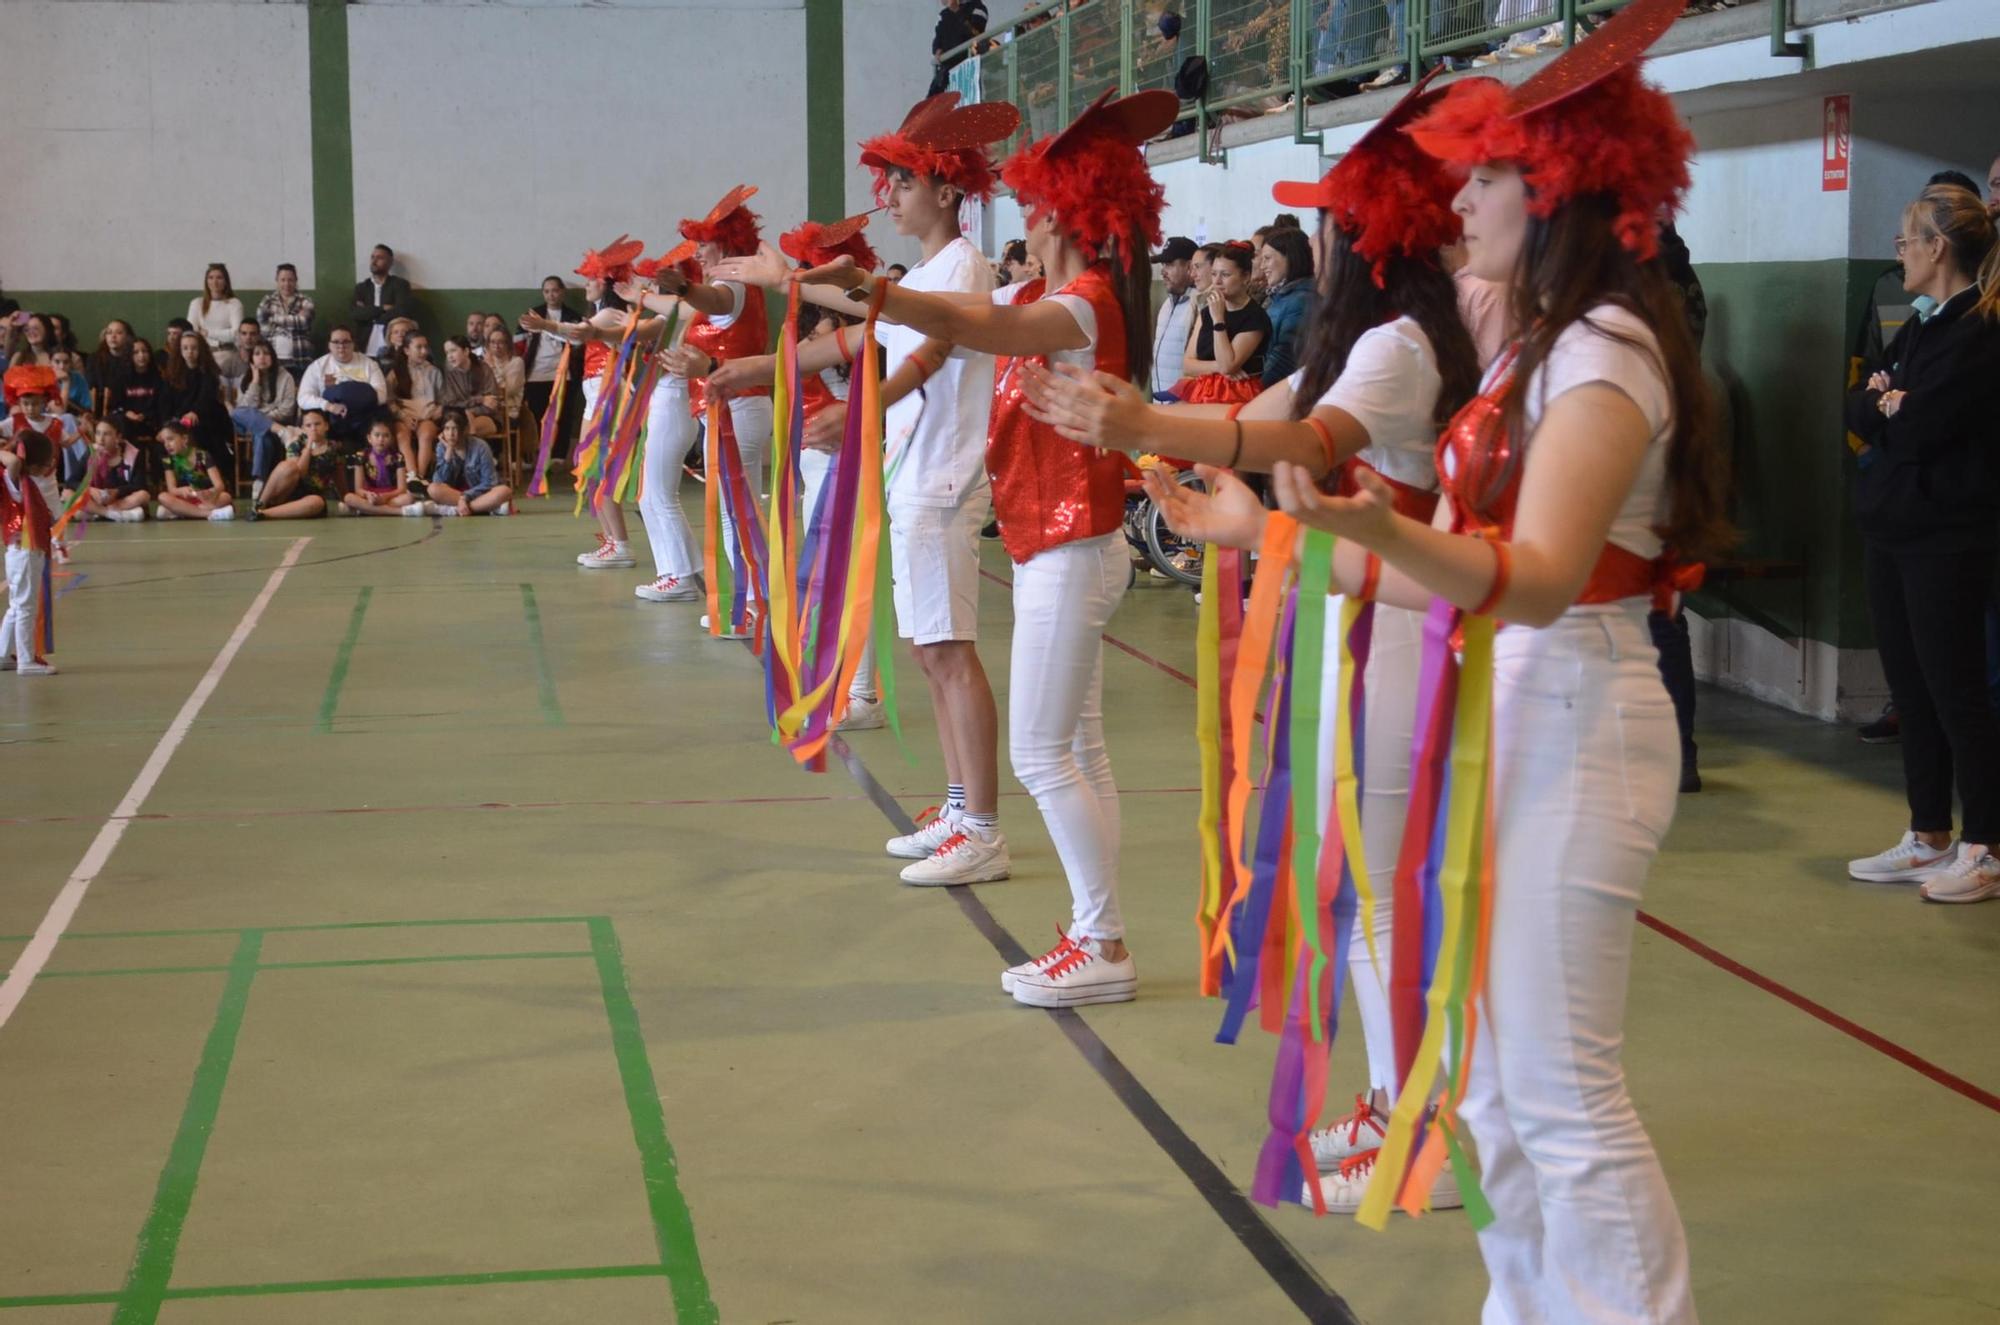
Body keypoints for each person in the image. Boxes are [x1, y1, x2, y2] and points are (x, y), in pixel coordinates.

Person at [1197, 6, 1721, 1313]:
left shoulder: (1604, 354)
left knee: (1561, 1091)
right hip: (1515, 703)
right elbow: (1463, 577)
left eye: (1487, 174)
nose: (1460, 196)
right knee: (1483, 1075)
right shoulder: (1539, 350)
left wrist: (1365, 524)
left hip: (1582, 714)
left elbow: (1537, 579)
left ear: (1551, 189)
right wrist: (1279, 533)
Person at [1023, 70, 1481, 1210]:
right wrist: (1164, 436)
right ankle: (1398, 1099)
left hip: (1392, 634)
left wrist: (1138, 423)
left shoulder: (1393, 349)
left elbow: (1299, 440)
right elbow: (1254, 422)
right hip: (1365, 623)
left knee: (1377, 898)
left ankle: (1414, 1125)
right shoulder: (1385, 339)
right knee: (1364, 894)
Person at [726, 88, 1180, 1004]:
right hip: (1052, 544)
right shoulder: (1050, 293)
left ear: (1061, 212)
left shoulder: (1080, 305)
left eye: (1040, 196)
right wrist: (799, 283)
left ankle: (1101, 940)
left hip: (1070, 546)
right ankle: (1101, 935)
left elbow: (968, 324)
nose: (1027, 208)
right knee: (1077, 751)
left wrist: (848, 291)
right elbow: (922, 315)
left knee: (1046, 756)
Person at [714, 93, 1023, 849]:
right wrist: (767, 321)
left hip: (944, 482)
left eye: (904, 184)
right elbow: (860, 331)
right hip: (912, 478)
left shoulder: (964, 268)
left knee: (951, 654)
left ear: (948, 192)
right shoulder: (932, 268)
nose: (889, 197)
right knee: (926, 651)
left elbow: (924, 346)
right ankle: (957, 808)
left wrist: (795, 284)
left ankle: (981, 825)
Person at [1845, 182, 2000, 905]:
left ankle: (1985, 845)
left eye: (1908, 240)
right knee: (1911, 687)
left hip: (1946, 536)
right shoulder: (1919, 325)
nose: (1900, 253)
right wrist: (1887, 402)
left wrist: (1893, 406)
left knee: (1956, 689)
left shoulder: (1978, 331)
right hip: (1893, 528)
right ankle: (1929, 831)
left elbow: (1921, 428)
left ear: (1938, 247)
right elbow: (1861, 405)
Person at [640, 187, 774, 638]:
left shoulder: (730, 287)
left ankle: (754, 605)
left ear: (727, 244)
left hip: (737, 408)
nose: (698, 251)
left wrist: (687, 287)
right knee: (737, 512)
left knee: (739, 514)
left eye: (704, 243)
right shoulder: (733, 286)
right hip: (728, 409)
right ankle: (750, 602)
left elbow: (713, 302)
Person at [522, 240, 641, 570]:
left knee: (599, 469)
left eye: (590, 279)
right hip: (597, 393)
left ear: (604, 282)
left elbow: (580, 334)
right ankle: (613, 540)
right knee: (588, 467)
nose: (585, 285)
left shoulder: (610, 313)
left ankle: (620, 543)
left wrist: (546, 325)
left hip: (609, 393)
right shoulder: (602, 311)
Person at [1174, 240, 1269, 404]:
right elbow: (1187, 365)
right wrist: (1217, 368)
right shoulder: (1207, 312)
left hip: (1237, 394)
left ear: (1245, 276)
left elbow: (1228, 365)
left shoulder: (1254, 316)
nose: (1217, 281)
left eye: (1225, 275)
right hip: (1204, 391)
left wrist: (1218, 320)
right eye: (1213, 274)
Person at [0, 426, 58, 675]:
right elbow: (13, 460)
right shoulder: (19, 480)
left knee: (17, 605)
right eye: (46, 462)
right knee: (25, 606)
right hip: (25, 550)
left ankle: (3, 654)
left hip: (22, 551)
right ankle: (26, 661)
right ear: (33, 464)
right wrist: (10, 449)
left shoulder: (23, 481)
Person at [296, 327, 389, 446]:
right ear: (329, 345)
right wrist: (329, 406)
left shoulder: (369, 364)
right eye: (336, 342)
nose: (341, 346)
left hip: (365, 417)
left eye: (346, 341)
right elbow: (303, 399)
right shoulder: (317, 366)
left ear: (353, 344)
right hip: (331, 419)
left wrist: (351, 401)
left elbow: (381, 396)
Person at [159, 330, 235, 473]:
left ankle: (205, 475)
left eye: (194, 348)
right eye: (185, 348)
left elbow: (207, 399)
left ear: (201, 350)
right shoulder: (171, 374)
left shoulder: (210, 373)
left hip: (206, 418)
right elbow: (165, 403)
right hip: (178, 420)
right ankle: (176, 478)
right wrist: (166, 424)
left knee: (198, 432)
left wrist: (195, 412)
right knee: (168, 437)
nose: (190, 352)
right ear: (179, 350)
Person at [520, 276, 583, 443]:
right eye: (547, 291)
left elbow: (579, 345)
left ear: (562, 292)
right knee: (537, 415)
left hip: (563, 374)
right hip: (536, 373)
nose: (551, 295)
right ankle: (537, 452)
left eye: (555, 290)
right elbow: (519, 342)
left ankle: (559, 456)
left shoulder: (573, 316)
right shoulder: (532, 314)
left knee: (563, 415)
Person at [234, 342, 299, 494]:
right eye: (257, 354)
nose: (262, 357)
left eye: (266, 353)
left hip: (274, 425)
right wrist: (255, 382)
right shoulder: (246, 377)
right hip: (255, 427)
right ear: (251, 358)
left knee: (262, 435)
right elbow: (244, 409)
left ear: (273, 357)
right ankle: (282, 433)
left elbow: (287, 410)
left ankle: (259, 481)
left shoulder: (285, 377)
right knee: (235, 413)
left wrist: (262, 420)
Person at [420, 408, 512, 516]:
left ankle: (454, 510)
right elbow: (440, 481)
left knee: (505, 491)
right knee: (433, 489)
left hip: (478, 493)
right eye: (447, 429)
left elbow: (489, 482)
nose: (451, 434)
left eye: (455, 429)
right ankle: (484, 508)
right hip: (453, 494)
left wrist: (465, 497)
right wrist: (448, 452)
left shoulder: (480, 447)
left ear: (464, 430)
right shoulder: (442, 447)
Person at [1256, 225, 1317, 387]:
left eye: (1267, 258)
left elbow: (1284, 361)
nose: (1262, 267)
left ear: (1290, 257)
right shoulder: (1280, 297)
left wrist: (1254, 393)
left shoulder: (1300, 301)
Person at [254, 408, 339, 519]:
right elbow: (299, 472)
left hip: (309, 497)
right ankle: (260, 504)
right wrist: (308, 448)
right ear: (303, 429)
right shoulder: (297, 444)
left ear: (326, 426)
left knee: (317, 502)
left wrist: (345, 496)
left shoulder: (333, 448)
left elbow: (339, 474)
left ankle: (264, 514)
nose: (313, 429)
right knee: (287, 466)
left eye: (317, 424)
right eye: (308, 425)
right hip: (289, 489)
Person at [154, 418, 236, 522]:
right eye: (164, 441)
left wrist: (210, 492)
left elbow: (219, 485)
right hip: (185, 499)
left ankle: (183, 512)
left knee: (226, 497)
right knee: (163, 497)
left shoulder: (203, 456)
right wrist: (180, 490)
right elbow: (172, 489)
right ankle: (210, 514)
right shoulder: (168, 460)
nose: (167, 445)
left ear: (184, 439)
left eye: (170, 439)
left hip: (205, 499)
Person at [388, 331, 445, 477]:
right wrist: (402, 415)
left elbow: (443, 400)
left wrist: (437, 411)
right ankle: (412, 476)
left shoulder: (434, 371)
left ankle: (420, 476)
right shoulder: (396, 372)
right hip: (404, 417)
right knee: (401, 436)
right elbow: (389, 401)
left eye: (426, 347)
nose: (424, 351)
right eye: (418, 347)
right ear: (407, 350)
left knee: (426, 435)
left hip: (427, 417)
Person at [84, 414, 158, 522]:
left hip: (121, 500)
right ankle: (109, 513)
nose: (101, 439)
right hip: (97, 498)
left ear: (118, 436)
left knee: (143, 495)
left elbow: (140, 485)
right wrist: (91, 490)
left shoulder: (132, 453)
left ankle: (100, 513)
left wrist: (117, 492)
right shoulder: (91, 452)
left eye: (107, 434)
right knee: (68, 493)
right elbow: (72, 481)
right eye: (98, 433)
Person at [1149, 235, 1197, 399]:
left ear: (1189, 267)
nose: (1163, 271)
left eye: (1169, 264)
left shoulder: (1198, 305)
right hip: (1160, 400)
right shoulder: (1166, 305)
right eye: (1163, 264)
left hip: (1184, 405)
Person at [342, 418, 420, 516]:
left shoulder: (397, 457)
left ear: (391, 439)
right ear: (369, 438)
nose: (381, 439)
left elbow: (402, 489)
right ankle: (399, 511)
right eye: (377, 435)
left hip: (391, 495)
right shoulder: (361, 456)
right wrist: (368, 495)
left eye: (386, 436)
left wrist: (384, 497)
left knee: (408, 498)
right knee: (348, 497)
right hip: (370, 495)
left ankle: (365, 510)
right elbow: (358, 489)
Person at [353, 244, 414, 364]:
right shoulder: (361, 288)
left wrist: (370, 313)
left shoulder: (400, 285)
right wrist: (382, 308)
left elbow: (401, 311)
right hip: (364, 341)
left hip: (391, 340)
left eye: (379, 258)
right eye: (372, 257)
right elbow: (355, 313)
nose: (374, 261)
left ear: (390, 262)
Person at [187, 264, 246, 379]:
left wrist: (208, 333)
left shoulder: (234, 304)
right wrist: (224, 333)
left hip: (227, 354)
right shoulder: (196, 303)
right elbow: (191, 333)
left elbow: (236, 334)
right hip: (202, 355)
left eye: (219, 277)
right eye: (211, 277)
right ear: (206, 281)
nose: (215, 281)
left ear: (226, 281)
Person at [438, 335, 502, 438]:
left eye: (453, 351)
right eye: (447, 353)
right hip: (458, 418)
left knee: (462, 430)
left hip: (486, 417)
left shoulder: (483, 369)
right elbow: (450, 404)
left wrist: (470, 411)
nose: (450, 356)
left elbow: (492, 405)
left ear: (466, 351)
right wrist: (479, 400)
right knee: (455, 429)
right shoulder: (448, 373)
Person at [258, 263, 316, 375]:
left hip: (300, 359)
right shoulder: (267, 300)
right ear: (277, 281)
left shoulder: (305, 300)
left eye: (290, 280)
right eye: (282, 280)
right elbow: (262, 320)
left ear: (296, 281)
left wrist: (273, 318)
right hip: (272, 359)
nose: (286, 284)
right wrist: (294, 320)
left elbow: (303, 322)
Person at [107, 337, 164, 447]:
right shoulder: (121, 379)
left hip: (150, 422)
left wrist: (145, 415)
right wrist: (127, 413)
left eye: (145, 351)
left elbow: (162, 406)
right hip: (127, 421)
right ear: (129, 355)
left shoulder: (158, 379)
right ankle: (127, 461)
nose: (141, 356)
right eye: (136, 352)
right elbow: (114, 406)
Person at [86, 319, 134, 415]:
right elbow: (91, 386)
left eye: (119, 333)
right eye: (109, 332)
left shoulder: (133, 359)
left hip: (127, 407)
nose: (113, 336)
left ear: (128, 337)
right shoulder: (95, 359)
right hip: (100, 408)